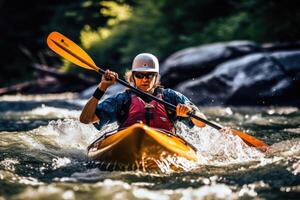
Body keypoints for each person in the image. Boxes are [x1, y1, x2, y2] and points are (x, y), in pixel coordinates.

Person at [80, 53, 206, 132]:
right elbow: (85, 119)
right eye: (140, 75)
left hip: (166, 141)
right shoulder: (122, 100)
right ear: (133, 77)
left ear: (156, 77)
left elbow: (201, 123)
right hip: (129, 142)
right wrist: (102, 87)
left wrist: (190, 112)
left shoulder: (171, 97)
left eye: (150, 75)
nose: (145, 79)